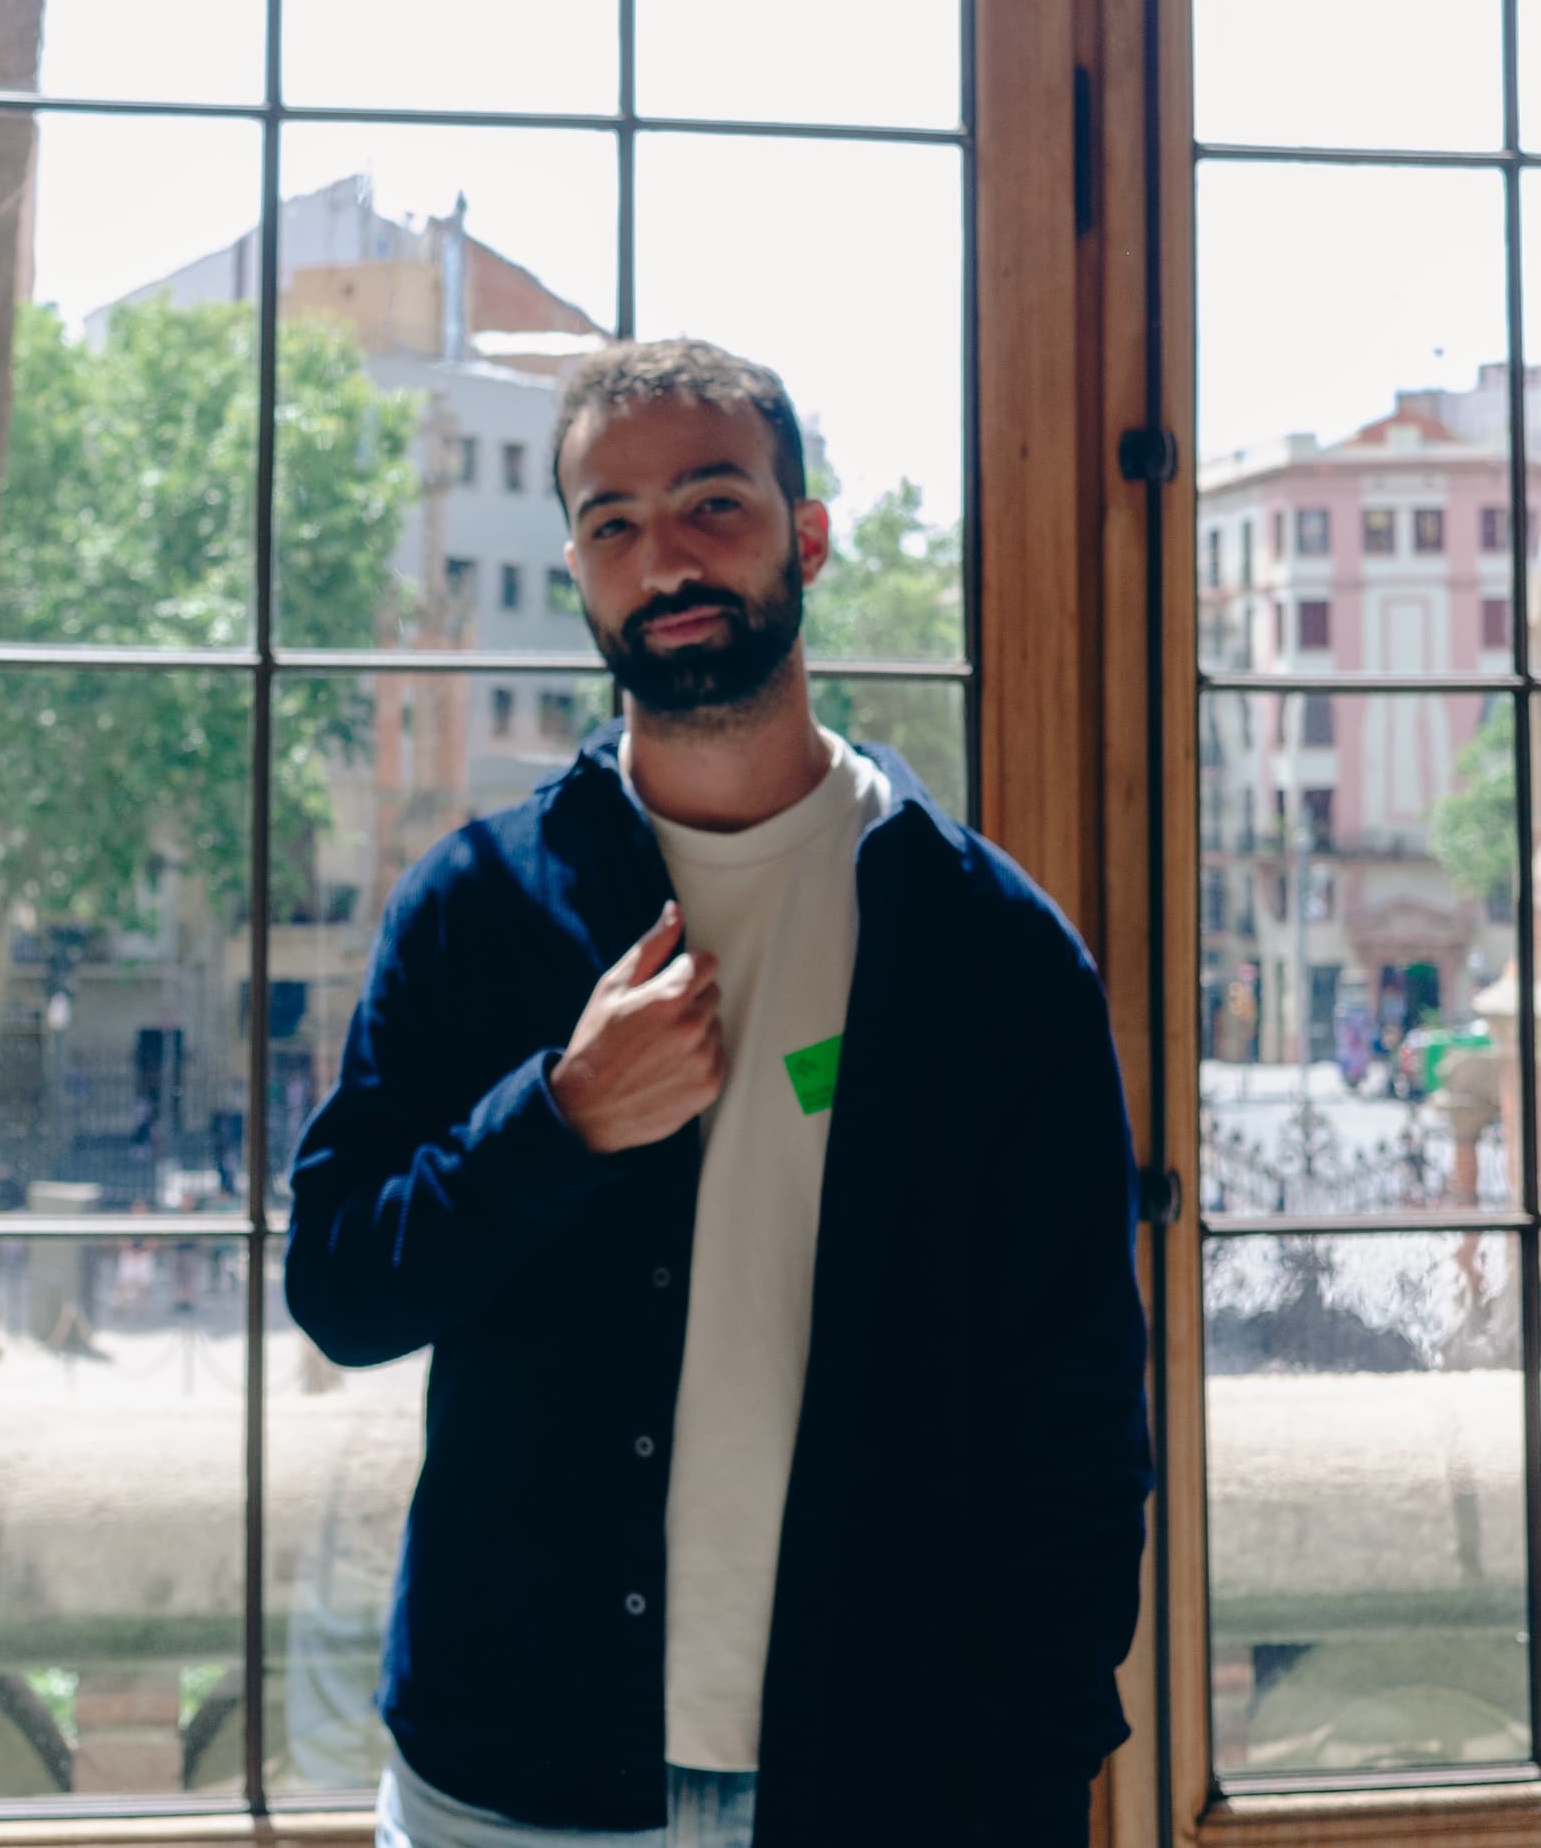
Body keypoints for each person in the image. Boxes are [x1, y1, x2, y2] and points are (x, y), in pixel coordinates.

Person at [287, 340, 1151, 1847]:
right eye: (613, 523)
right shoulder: (476, 910)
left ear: (804, 536)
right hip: (510, 1788)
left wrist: (1037, 1766)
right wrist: (557, 1121)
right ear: (576, 569)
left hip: (890, 1782)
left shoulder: (992, 952)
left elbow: (1074, 1424)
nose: (666, 559)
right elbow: (343, 1292)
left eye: (712, 505)